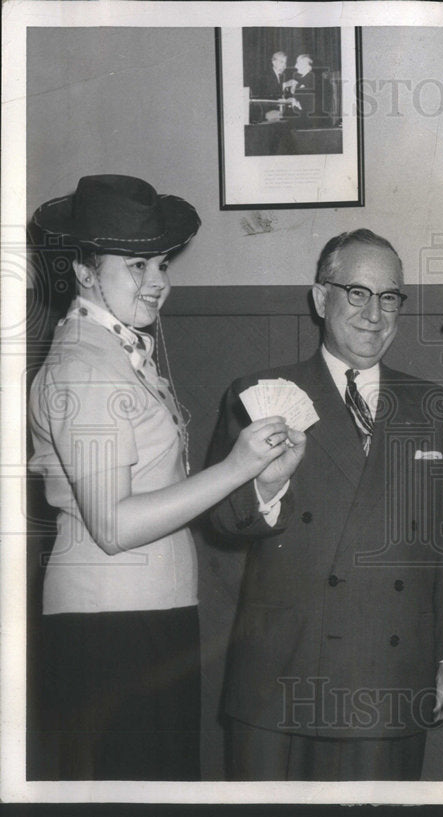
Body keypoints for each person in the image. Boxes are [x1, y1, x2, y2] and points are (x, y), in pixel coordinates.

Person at [27, 174, 303, 780]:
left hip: (144, 619)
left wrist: (255, 477)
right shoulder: (85, 368)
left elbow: (158, 491)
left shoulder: (114, 353)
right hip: (111, 629)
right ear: (83, 271)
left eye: (161, 263)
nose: (159, 282)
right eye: (136, 266)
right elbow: (115, 525)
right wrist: (235, 468)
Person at [208, 229, 443, 781]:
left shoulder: (435, 407)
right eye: (356, 293)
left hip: (390, 672)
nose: (373, 314)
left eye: (389, 297)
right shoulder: (258, 391)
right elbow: (221, 518)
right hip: (281, 673)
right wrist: (264, 487)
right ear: (320, 297)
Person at [251, 51, 290, 123]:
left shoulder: (281, 76)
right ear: (274, 62)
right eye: (282, 62)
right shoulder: (266, 75)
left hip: (277, 112)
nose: (284, 66)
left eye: (285, 63)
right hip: (266, 113)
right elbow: (268, 94)